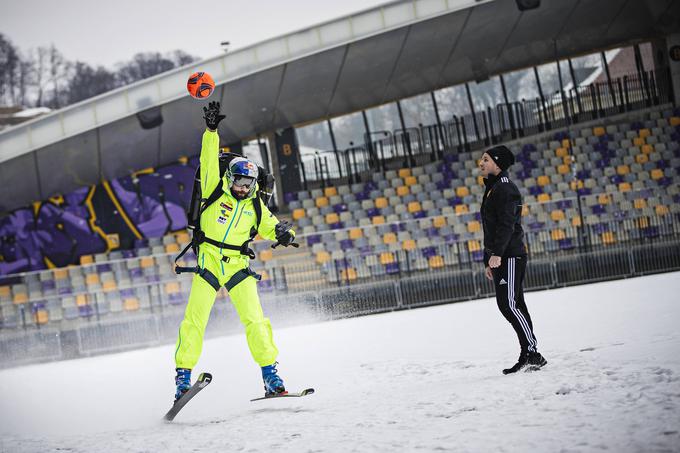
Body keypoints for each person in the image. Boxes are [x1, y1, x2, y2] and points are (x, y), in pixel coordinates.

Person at [173, 102, 296, 401]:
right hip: (209, 263)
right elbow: (207, 157)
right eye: (239, 182)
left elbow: (271, 226)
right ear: (229, 179)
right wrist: (211, 131)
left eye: (248, 183)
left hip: (238, 265)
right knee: (194, 320)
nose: (243, 188)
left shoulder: (255, 205)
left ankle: (271, 376)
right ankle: (182, 379)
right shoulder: (215, 188)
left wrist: (284, 233)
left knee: (256, 320)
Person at [479, 145, 547, 374]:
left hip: (510, 255)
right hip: (500, 256)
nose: (481, 163)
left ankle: (532, 353)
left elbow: (508, 225)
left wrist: (497, 254)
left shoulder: (506, 189)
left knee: (508, 304)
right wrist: (487, 259)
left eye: (486, 159)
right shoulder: (493, 188)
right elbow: (491, 229)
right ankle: (528, 352)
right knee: (514, 303)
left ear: (497, 164)